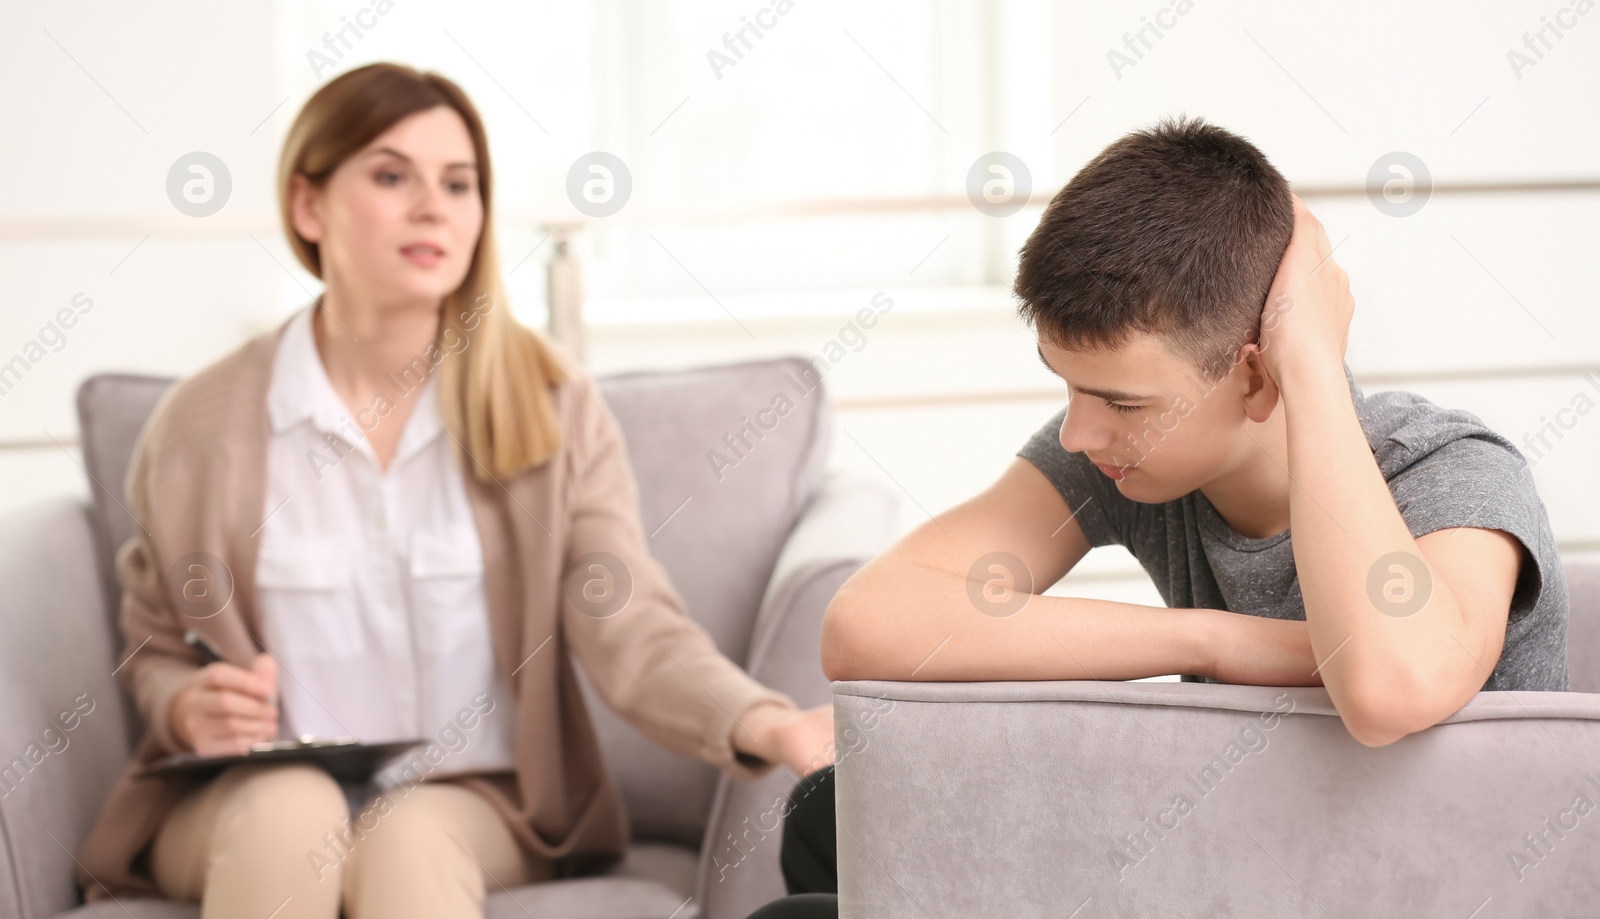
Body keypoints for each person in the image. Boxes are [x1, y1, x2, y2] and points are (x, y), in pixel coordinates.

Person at [749, 116, 1570, 917]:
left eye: (1120, 400)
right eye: (1067, 386)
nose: (1079, 432)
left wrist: (1311, 360)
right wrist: (1217, 637)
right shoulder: (1125, 458)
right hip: (1236, 859)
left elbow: (1389, 688)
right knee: (829, 817)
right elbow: (865, 623)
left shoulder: (1454, 473)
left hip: (1394, 884)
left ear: (1257, 380)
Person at [75, 62, 833, 919]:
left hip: (480, 799)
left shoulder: (549, 408)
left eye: (459, 183)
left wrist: (765, 720)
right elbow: (157, 641)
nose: (434, 206)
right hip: (246, 795)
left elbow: (628, 619)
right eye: (392, 174)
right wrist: (183, 705)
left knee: (404, 833)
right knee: (294, 809)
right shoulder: (201, 426)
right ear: (308, 205)